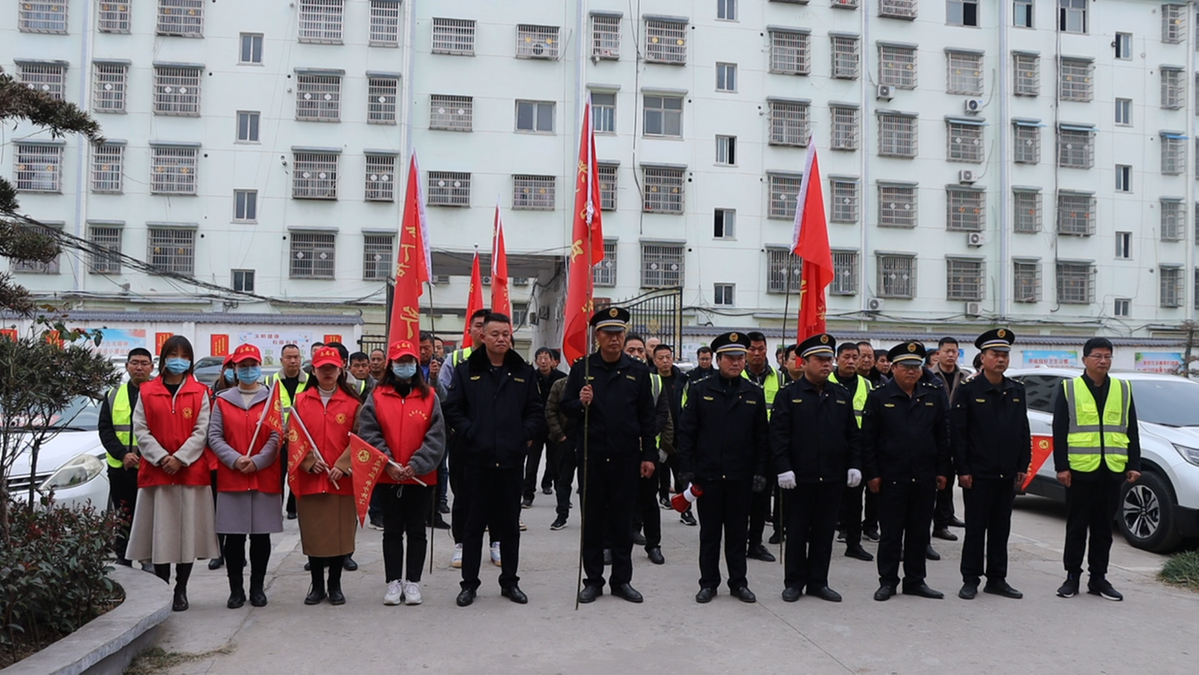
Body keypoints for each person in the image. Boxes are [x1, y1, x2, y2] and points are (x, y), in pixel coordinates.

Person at [444, 313, 544, 607]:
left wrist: (522, 434)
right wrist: (470, 433)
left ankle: (510, 582)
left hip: (511, 463)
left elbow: (535, 411)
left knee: (509, 527)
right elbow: (453, 409)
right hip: (476, 461)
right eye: (495, 334)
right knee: (473, 527)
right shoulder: (466, 371)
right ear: (482, 337)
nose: (501, 338)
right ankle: (469, 584)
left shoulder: (523, 371)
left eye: (506, 333)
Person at [562, 307, 657, 604]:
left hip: (626, 458)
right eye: (608, 334)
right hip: (591, 457)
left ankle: (621, 580)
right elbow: (565, 409)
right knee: (592, 522)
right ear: (598, 337)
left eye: (619, 333)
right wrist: (580, 402)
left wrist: (649, 455)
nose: (614, 339)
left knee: (622, 522)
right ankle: (593, 580)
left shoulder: (638, 371)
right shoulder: (583, 369)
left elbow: (647, 418)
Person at [126, 336, 221, 612]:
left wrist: (180, 458)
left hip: (190, 474)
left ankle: (181, 588)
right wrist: (161, 457)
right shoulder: (147, 392)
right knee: (161, 534)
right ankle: (163, 586)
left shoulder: (200, 391)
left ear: (190, 359)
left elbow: (202, 431)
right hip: (157, 474)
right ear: (163, 358)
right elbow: (140, 430)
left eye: (184, 355)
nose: (178, 359)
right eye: (173, 354)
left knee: (186, 535)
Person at [676, 332, 769, 604]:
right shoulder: (700, 390)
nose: (737, 362)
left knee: (738, 534)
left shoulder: (753, 392)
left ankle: (738, 582)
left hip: (741, 477)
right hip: (709, 476)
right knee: (710, 534)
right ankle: (708, 583)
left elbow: (761, 437)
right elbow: (687, 432)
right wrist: (686, 468)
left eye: (741, 357)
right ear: (718, 360)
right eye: (730, 357)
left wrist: (761, 471)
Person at [772, 334, 861, 603]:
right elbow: (778, 436)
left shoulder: (841, 395)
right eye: (820, 360)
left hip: (832, 476)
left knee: (824, 532)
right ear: (805, 362)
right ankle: (794, 582)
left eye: (828, 360)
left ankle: (818, 582)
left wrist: (855, 465)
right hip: (799, 478)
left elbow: (853, 435)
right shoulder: (789, 395)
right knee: (797, 531)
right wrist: (783, 468)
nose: (826, 365)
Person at [358, 339, 447, 606]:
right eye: (400, 362)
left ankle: (413, 582)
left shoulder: (429, 396)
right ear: (391, 365)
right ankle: (393, 582)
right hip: (389, 476)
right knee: (392, 530)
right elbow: (368, 432)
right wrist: (389, 462)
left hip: (420, 477)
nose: (405, 366)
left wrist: (417, 464)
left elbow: (437, 435)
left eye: (409, 362)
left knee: (417, 530)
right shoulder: (376, 396)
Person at [1053, 337, 1141, 601]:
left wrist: (1133, 464)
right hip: (1080, 470)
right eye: (1098, 356)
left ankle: (1098, 578)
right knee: (1077, 526)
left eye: (1108, 356)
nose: (1103, 361)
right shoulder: (1069, 388)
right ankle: (1071, 577)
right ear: (1085, 360)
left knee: (1104, 528)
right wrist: (1062, 467)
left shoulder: (1123, 389)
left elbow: (1132, 429)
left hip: (1112, 470)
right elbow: (1059, 431)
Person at [863, 342, 950, 602]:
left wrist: (942, 470)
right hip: (891, 476)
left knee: (919, 531)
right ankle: (888, 581)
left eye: (916, 367)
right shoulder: (879, 397)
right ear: (893, 368)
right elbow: (869, 440)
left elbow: (942, 436)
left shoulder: (931, 395)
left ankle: (915, 580)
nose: (912, 372)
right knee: (891, 533)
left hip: (924, 475)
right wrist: (872, 474)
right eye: (906, 367)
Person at [951, 329, 1030, 601]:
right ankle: (970, 578)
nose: (1000, 360)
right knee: (975, 528)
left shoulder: (1016, 390)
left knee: (1001, 528)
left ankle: (997, 578)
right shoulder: (969, 390)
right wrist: (962, 469)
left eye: (1004, 355)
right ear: (982, 358)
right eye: (995, 355)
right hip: (978, 472)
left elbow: (1023, 430)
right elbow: (958, 433)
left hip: (1006, 472)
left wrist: (1023, 465)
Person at [208, 343, 283, 609]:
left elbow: (277, 435)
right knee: (234, 536)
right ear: (234, 369)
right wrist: (234, 459)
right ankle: (236, 589)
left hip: (264, 476)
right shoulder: (223, 401)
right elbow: (214, 436)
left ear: (260, 367)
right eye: (243, 366)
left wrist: (259, 460)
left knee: (261, 536)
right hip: (232, 476)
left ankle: (258, 588)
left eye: (253, 365)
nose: (248, 370)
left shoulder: (271, 398)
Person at [292, 346, 361, 606]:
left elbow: (359, 439)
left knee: (339, 536)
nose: (328, 372)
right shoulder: (301, 401)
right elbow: (293, 436)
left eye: (332, 368)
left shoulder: (353, 403)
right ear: (314, 371)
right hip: (312, 478)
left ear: (340, 369)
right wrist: (308, 462)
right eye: (323, 368)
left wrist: (342, 465)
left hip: (340, 479)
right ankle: (317, 586)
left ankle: (335, 585)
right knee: (314, 535)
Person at [441, 308, 500, 569]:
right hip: (463, 438)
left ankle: (496, 542)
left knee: (496, 493)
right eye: (478, 325)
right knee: (463, 493)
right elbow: (444, 397)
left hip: (498, 441)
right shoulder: (455, 360)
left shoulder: (507, 361)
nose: (482, 330)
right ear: (472, 330)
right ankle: (461, 544)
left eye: (487, 326)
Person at [99, 347, 155, 568]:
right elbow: (105, 429)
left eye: (143, 362)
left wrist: (146, 455)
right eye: (134, 362)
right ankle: (123, 558)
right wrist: (123, 455)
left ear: (151, 367)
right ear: (127, 366)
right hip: (121, 468)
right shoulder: (113, 395)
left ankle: (147, 557)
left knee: (148, 515)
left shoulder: (158, 394)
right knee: (123, 514)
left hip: (150, 466)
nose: (139, 367)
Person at [625, 336, 671, 565]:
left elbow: (662, 413)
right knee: (618, 500)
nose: (636, 354)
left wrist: (645, 432)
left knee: (649, 501)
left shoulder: (655, 381)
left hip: (647, 451)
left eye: (640, 350)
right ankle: (613, 544)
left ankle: (654, 545)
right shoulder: (615, 377)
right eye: (631, 349)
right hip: (621, 451)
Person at [828, 342, 875, 563]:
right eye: (846, 357)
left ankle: (853, 543)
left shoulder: (867, 384)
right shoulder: (825, 381)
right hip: (830, 448)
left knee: (855, 500)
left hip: (859, 449)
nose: (851, 361)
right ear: (837, 359)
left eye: (854, 357)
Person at [743, 331, 783, 563]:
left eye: (761, 348)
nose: (757, 353)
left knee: (761, 500)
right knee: (739, 500)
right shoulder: (737, 374)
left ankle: (755, 543)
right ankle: (738, 540)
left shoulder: (779, 377)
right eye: (752, 349)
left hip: (768, 449)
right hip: (740, 447)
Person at [930, 337, 968, 542]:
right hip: (936, 434)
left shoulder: (965, 376)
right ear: (939, 353)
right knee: (937, 479)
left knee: (949, 480)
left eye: (955, 351)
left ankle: (942, 523)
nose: (951, 355)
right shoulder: (929, 375)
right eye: (947, 351)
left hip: (957, 433)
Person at [270, 343, 311, 521]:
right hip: (278, 437)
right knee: (278, 475)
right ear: (281, 360)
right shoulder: (270, 381)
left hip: (300, 437)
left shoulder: (310, 380)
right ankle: (275, 509)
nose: (293, 361)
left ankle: (293, 508)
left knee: (297, 471)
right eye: (289, 357)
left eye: (296, 357)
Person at [523, 347, 566, 507]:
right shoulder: (531, 378)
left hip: (554, 427)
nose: (543, 361)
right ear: (535, 361)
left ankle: (559, 497)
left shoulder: (561, 379)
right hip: (536, 428)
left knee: (556, 463)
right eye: (539, 358)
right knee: (532, 464)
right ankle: (528, 495)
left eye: (546, 357)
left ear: (552, 360)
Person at [651, 344, 687, 511]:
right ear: (654, 360)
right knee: (661, 469)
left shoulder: (682, 380)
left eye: (668, 357)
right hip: (659, 433)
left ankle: (684, 509)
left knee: (681, 472)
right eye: (661, 358)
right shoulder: (651, 380)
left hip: (680, 433)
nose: (665, 361)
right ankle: (663, 496)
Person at [545, 368, 576, 531]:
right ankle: (561, 515)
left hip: (588, 440)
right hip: (566, 439)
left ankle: (590, 517)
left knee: (590, 482)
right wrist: (559, 435)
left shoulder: (594, 384)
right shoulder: (560, 385)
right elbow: (550, 411)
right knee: (563, 479)